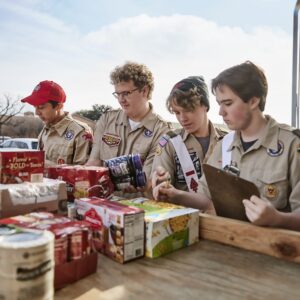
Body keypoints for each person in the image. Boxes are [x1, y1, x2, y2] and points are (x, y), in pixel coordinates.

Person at [153, 61, 300, 231]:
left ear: (253, 100)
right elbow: (207, 200)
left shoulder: (292, 145)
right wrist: (175, 195)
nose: (221, 112)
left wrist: (277, 219)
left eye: (228, 103)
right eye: (219, 103)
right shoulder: (224, 145)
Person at [86, 61, 171, 191]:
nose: (121, 100)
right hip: (103, 200)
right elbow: (94, 163)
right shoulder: (106, 119)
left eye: (126, 93)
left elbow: (147, 179)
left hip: (138, 206)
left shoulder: (161, 131)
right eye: (117, 94)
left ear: (144, 91)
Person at [151, 76, 226, 193]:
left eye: (188, 110)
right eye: (177, 112)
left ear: (205, 105)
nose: (182, 118)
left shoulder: (228, 141)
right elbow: (159, 188)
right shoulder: (169, 143)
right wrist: (161, 181)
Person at [21, 80, 93, 166]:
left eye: (41, 107)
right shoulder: (45, 130)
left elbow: (84, 173)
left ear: (59, 106)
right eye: (35, 107)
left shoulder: (81, 132)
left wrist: (51, 166)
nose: (36, 113)